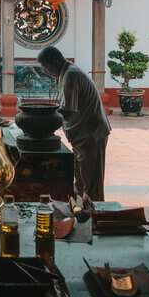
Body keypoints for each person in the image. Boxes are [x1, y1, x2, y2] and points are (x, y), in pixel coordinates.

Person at [37, 46, 111, 201]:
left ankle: (94, 219)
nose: (46, 71)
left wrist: (43, 119)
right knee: (81, 182)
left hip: (92, 134)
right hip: (82, 135)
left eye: (46, 67)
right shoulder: (66, 73)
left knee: (91, 185)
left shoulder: (71, 75)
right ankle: (81, 214)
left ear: (55, 61)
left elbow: (69, 111)